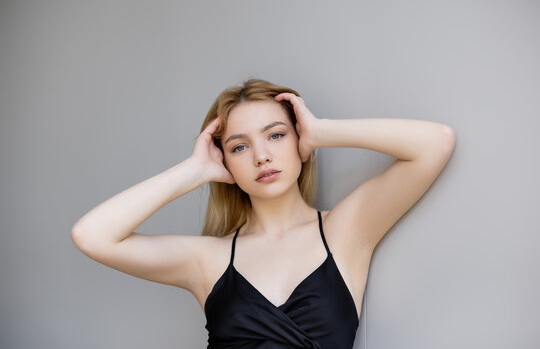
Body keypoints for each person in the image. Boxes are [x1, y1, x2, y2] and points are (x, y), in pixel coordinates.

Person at [71, 78, 456, 348]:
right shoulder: (208, 260)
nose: (261, 155)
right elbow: (92, 236)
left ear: (298, 139)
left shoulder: (345, 231)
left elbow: (436, 143)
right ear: (226, 161)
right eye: (239, 147)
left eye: (276, 135)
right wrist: (195, 170)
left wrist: (320, 132)